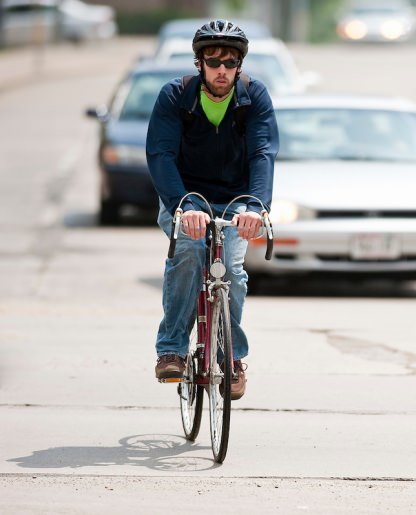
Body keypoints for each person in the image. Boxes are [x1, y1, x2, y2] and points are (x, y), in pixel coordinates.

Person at [146, 19, 279, 400]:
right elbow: (160, 154)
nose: (222, 70)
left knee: (232, 272)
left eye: (230, 62)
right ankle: (171, 348)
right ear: (199, 63)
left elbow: (263, 153)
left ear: (240, 65)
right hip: (185, 198)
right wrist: (182, 204)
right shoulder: (176, 95)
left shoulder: (255, 97)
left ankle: (231, 357)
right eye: (213, 61)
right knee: (188, 251)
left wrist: (256, 205)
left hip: (237, 201)